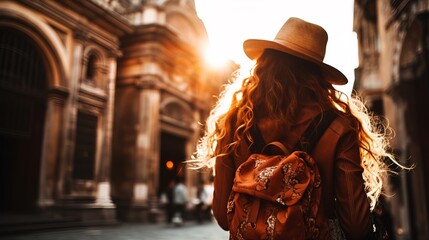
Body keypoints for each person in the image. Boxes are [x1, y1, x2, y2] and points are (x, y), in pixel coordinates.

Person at [190, 17, 407, 239]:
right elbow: (356, 226)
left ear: (264, 65)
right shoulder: (340, 127)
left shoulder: (236, 123)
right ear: (319, 77)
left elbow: (223, 218)